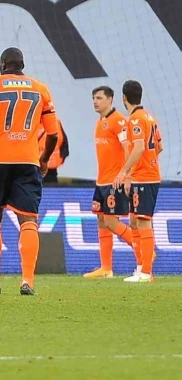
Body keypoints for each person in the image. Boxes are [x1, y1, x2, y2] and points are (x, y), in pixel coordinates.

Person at [0, 47, 58, 296]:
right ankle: (27, 282)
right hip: (28, 162)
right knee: (28, 221)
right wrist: (43, 159)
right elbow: (52, 134)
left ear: (2, 65)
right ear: (22, 65)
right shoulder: (40, 89)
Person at [113, 80, 162, 283]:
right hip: (144, 175)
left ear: (124, 98)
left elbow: (139, 147)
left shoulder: (134, 120)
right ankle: (141, 266)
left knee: (142, 221)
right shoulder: (150, 117)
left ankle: (146, 272)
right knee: (134, 220)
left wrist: (124, 172)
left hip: (145, 178)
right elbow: (159, 147)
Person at [83, 86, 135, 279]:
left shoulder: (118, 121)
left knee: (112, 222)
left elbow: (127, 146)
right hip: (101, 180)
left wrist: (126, 174)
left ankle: (143, 251)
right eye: (93, 98)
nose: (95, 101)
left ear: (110, 99)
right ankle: (106, 268)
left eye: (99, 98)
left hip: (115, 181)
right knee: (101, 220)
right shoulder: (100, 122)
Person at [37, 119, 70, 183]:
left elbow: (64, 143)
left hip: (43, 166)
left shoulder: (31, 123)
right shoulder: (56, 122)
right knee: (51, 190)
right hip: (41, 166)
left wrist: (62, 156)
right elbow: (64, 142)